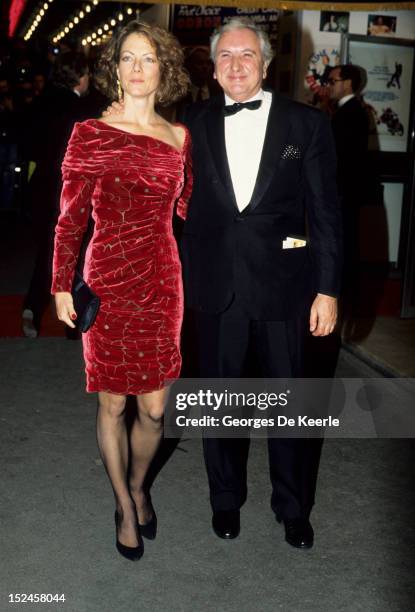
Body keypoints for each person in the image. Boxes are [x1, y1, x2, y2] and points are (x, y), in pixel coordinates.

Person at [180, 18, 342, 549]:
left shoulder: (305, 126)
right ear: (213, 64)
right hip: (217, 287)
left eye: (246, 55)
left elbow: (325, 213)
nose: (235, 65)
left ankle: (293, 507)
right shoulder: (192, 123)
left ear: (266, 64)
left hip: (286, 288)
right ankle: (224, 499)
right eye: (225, 56)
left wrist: (328, 289)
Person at [51, 21, 191, 561]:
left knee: (155, 409)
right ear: (115, 69)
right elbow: (69, 218)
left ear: (164, 69)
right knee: (113, 402)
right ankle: (123, 503)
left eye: (148, 58)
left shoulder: (181, 139)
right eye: (127, 58)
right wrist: (61, 284)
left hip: (161, 279)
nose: (137, 68)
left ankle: (138, 483)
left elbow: (189, 212)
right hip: (107, 278)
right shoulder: (91, 133)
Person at [22, 52, 90, 338]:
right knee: (72, 253)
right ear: (79, 77)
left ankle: (32, 307)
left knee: (47, 252)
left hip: (39, 188)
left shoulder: (39, 103)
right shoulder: (82, 111)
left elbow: (28, 145)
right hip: (68, 192)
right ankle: (72, 324)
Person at [327, 64, 369, 285]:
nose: (328, 86)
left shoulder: (349, 113)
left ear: (348, 84)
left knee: (343, 248)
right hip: (345, 192)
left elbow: (337, 155)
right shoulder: (348, 111)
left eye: (332, 82)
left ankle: (342, 301)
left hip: (343, 193)